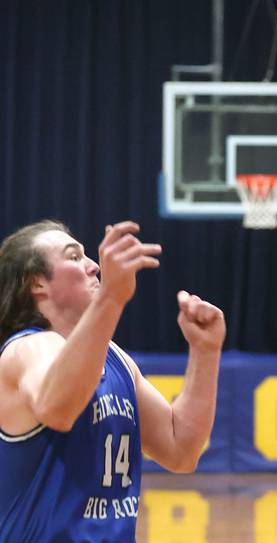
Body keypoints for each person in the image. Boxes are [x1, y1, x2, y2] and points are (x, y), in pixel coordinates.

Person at [0, 220, 225, 541]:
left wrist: (205, 351)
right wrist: (111, 297)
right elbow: (58, 409)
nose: (93, 266)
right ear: (37, 282)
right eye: (74, 257)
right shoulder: (29, 348)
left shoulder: (115, 358)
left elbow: (180, 450)